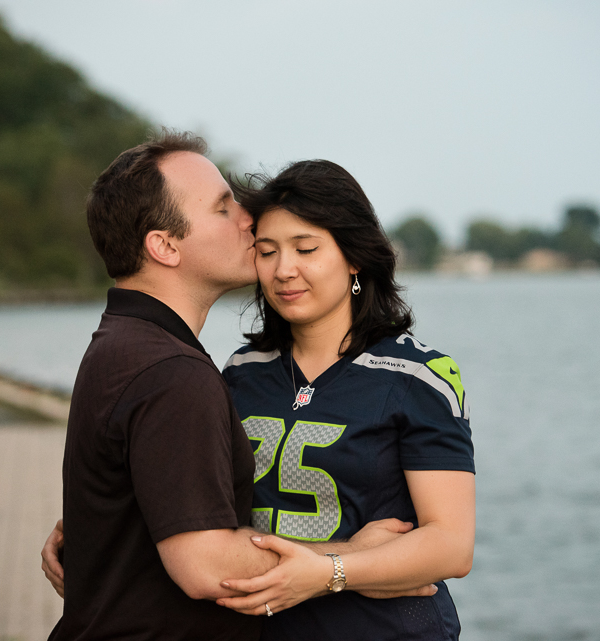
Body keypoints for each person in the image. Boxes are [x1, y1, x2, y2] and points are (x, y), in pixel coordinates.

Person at [44, 131, 430, 641]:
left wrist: (94, 528)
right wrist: (357, 556)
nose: (248, 218)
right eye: (223, 208)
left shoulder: (120, 342)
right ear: (164, 245)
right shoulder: (171, 372)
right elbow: (206, 567)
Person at [212, 159, 477, 640]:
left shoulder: (421, 376)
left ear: (354, 257)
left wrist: (331, 572)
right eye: (267, 252)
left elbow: (452, 546)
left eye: (306, 248)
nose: (284, 270)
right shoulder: (240, 372)